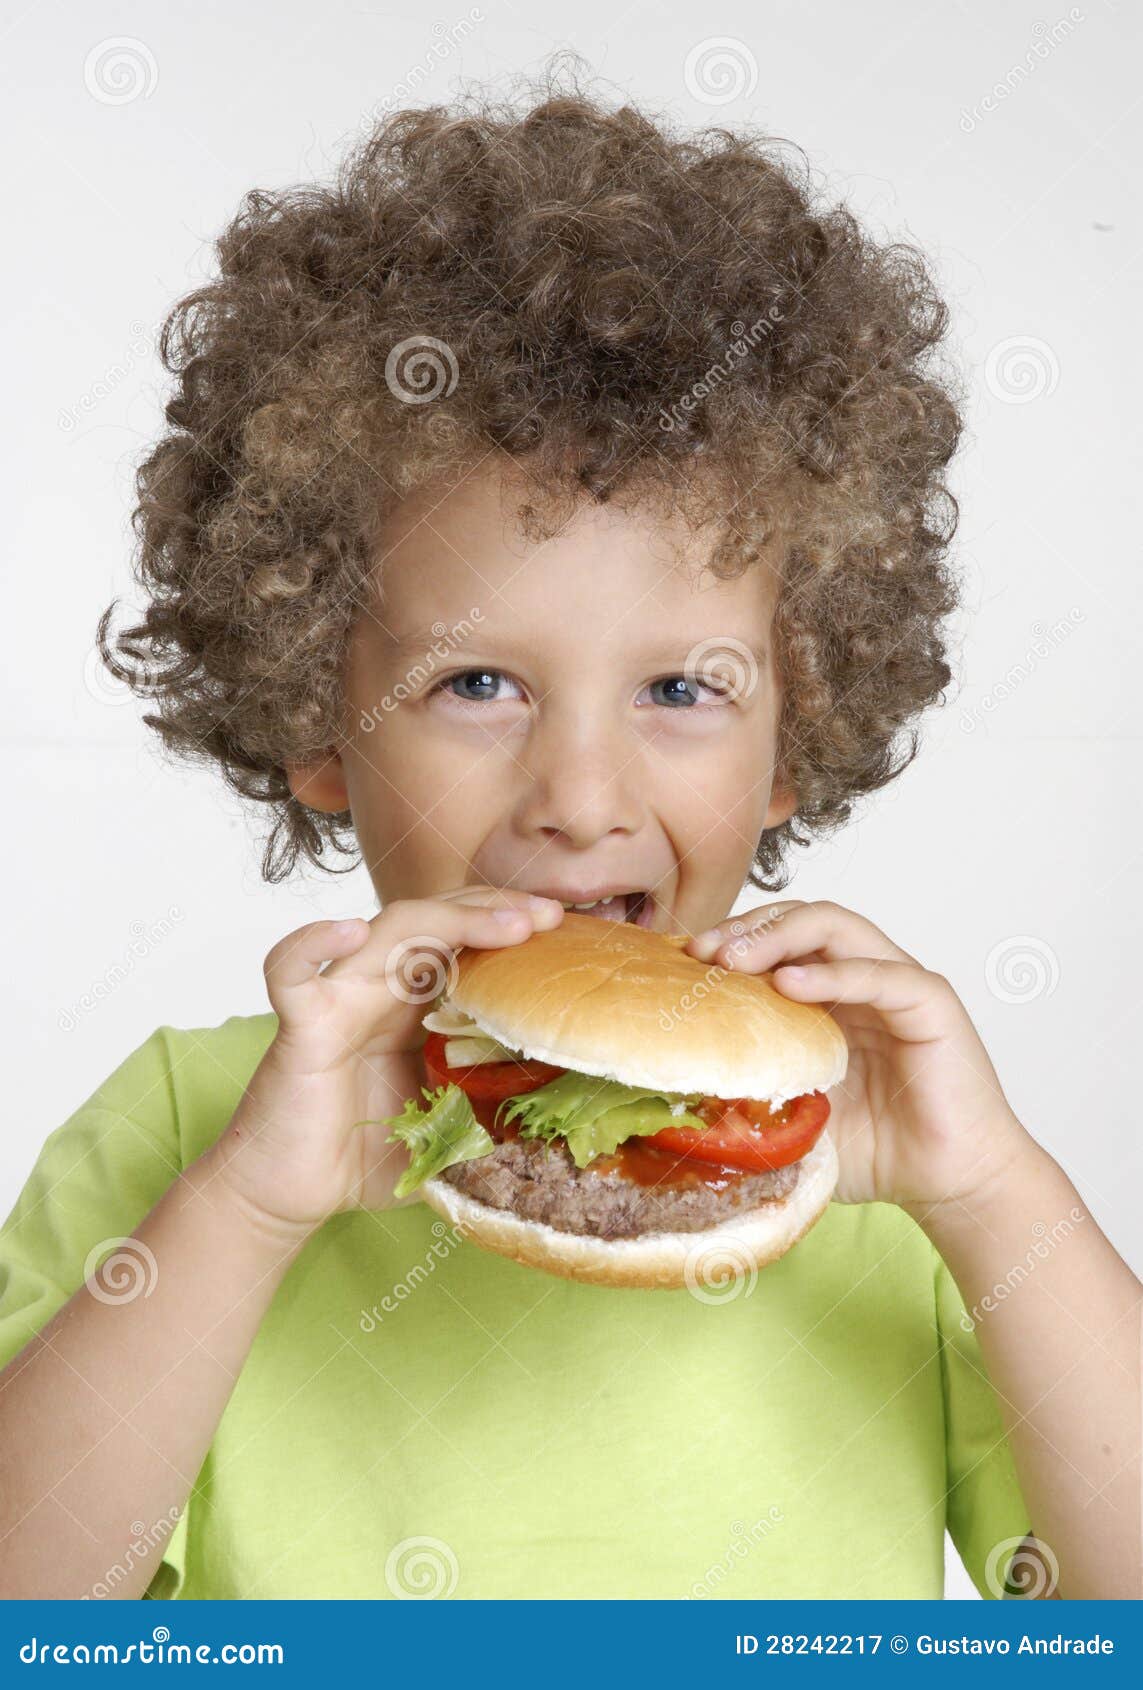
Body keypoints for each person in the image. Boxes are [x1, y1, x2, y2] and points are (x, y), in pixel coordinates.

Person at [1, 61, 1138, 1601]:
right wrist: (248, 1207)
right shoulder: (191, 1123)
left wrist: (994, 1188)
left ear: (794, 736)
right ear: (316, 727)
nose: (582, 795)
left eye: (680, 686)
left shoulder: (874, 1161)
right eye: (477, 681)